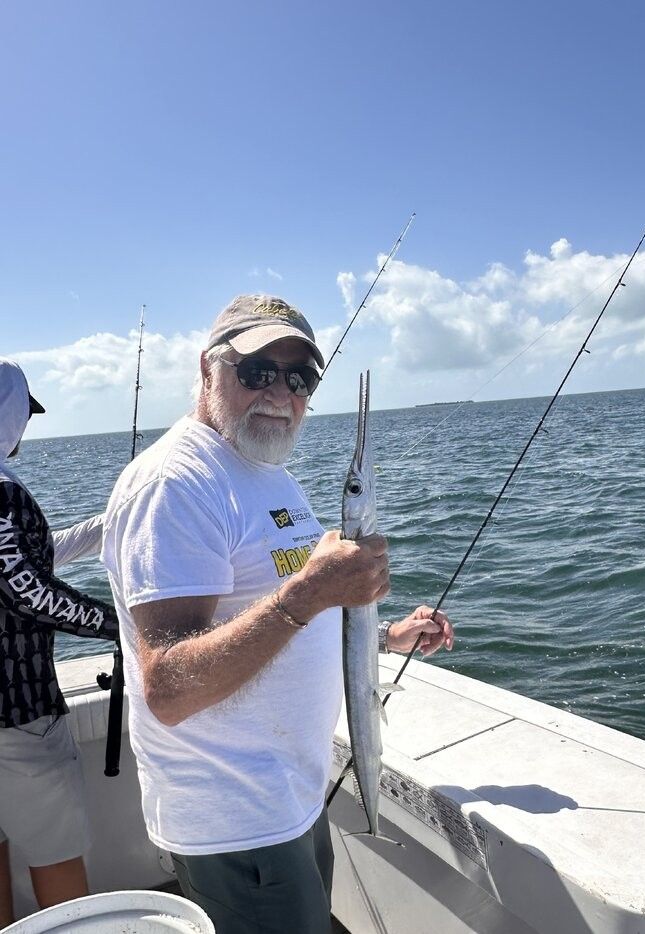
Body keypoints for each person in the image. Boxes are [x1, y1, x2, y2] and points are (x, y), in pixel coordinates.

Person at [101, 294, 454, 934]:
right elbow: (169, 689)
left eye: (301, 379)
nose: (281, 393)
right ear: (208, 369)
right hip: (235, 824)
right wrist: (309, 592)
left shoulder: (266, 471)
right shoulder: (176, 485)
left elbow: (281, 619)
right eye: (257, 370)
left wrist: (390, 635)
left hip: (290, 798)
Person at [0, 359, 119, 928]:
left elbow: (16, 561)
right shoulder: (3, 493)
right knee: (61, 875)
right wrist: (117, 622)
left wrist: (103, 526)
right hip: (20, 719)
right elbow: (26, 590)